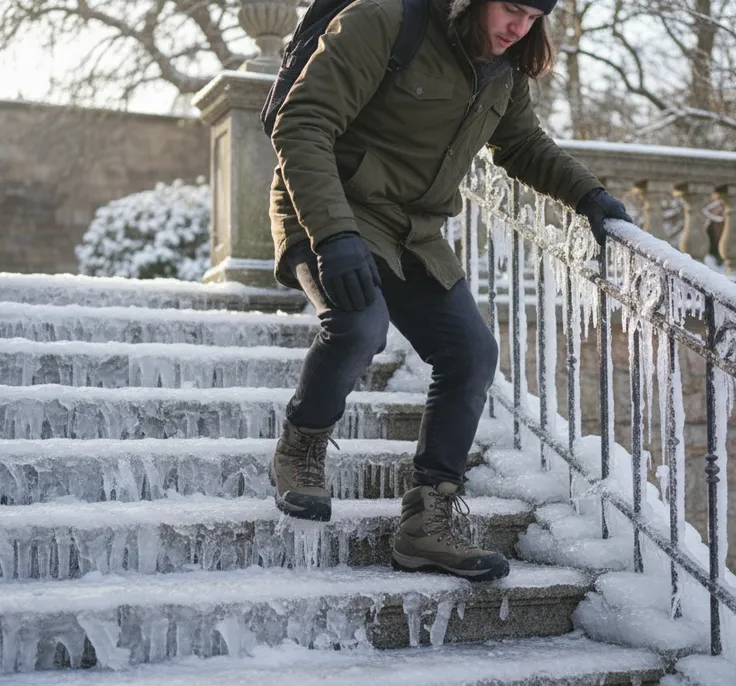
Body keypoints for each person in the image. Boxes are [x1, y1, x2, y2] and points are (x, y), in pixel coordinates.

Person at [267, 0, 632, 582]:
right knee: (359, 324)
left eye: (533, 18)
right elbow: (301, 122)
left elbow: (522, 145)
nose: (519, 28)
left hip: (413, 231)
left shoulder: (503, 68)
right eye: (511, 9)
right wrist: (332, 235)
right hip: (330, 205)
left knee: (471, 353)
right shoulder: (385, 20)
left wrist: (589, 195)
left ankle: (426, 523)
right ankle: (301, 447)